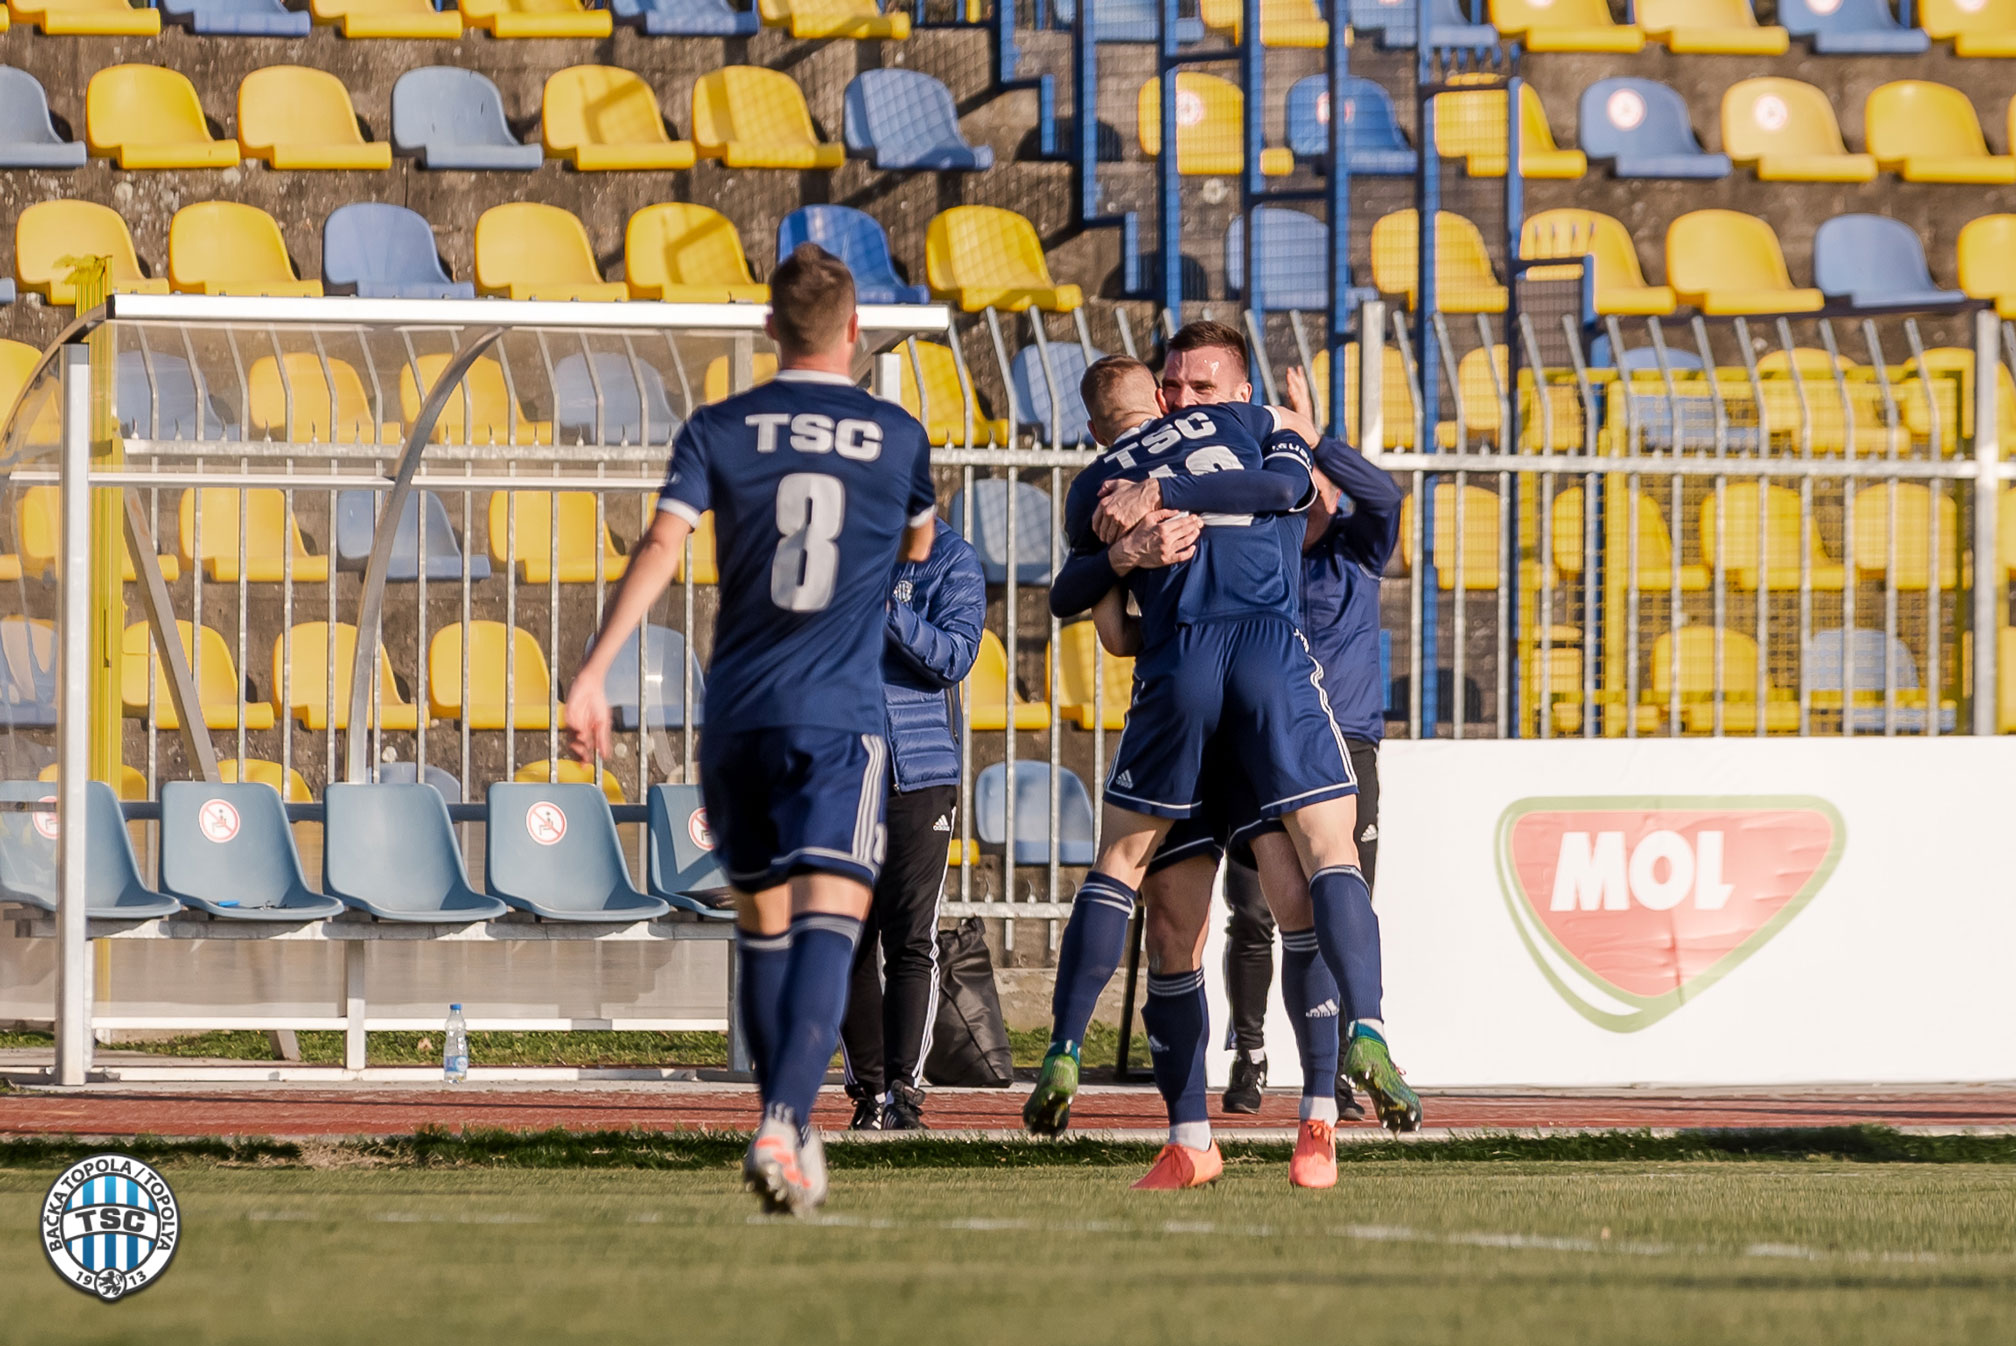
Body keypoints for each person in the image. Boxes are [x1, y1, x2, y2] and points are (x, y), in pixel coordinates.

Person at [566, 244, 937, 1217]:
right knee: (831, 923)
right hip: (839, 716)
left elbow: (663, 542)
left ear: (770, 327)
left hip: (736, 717)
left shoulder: (719, 427)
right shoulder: (898, 435)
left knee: (763, 923)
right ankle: (783, 1119)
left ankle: (786, 1130)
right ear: (855, 330)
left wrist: (595, 671)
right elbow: (919, 542)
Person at [1025, 355, 1385, 1190]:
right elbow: (1288, 491)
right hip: (1232, 692)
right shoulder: (1237, 436)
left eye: (1202, 387)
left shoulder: (1115, 481)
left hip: (1201, 689)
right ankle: (1210, 1137)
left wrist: (1137, 530)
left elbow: (1097, 618)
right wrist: (1127, 552)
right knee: (1193, 922)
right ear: (1158, 398)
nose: (1189, 399)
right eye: (1177, 386)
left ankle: (1306, 1118)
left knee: (1260, 902)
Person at [1220, 361, 1402, 1121]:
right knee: (1253, 912)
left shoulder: (1357, 548)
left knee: (1342, 903)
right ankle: (1250, 1053)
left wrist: (1314, 434)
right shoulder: (1263, 551)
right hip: (1265, 740)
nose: (1318, 492)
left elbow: (1385, 495)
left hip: (1347, 747)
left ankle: (1340, 1070)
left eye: (1322, 477)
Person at [840, 517, 985, 1131]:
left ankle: (905, 1093)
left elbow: (956, 657)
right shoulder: (834, 550)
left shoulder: (952, 559)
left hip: (918, 777)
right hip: (841, 773)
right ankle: (867, 1097)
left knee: (910, 940)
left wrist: (889, 613)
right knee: (845, 939)